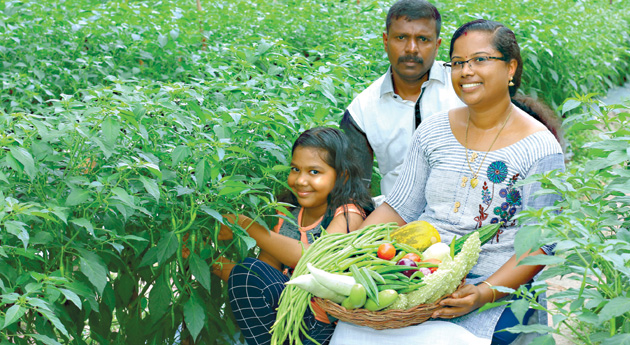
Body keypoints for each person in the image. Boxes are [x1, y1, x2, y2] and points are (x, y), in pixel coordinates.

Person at [331, 19, 564, 345]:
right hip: (416, 274)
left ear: (511, 68)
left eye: (480, 60)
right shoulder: (433, 131)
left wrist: (483, 293)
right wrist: (344, 255)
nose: (466, 71)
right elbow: (399, 208)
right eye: (457, 63)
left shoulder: (539, 148)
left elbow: (541, 244)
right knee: (352, 330)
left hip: (491, 284)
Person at [215, 127, 375, 345]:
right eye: (295, 169)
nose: (300, 180)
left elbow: (314, 262)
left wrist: (247, 226)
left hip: (323, 323)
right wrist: (208, 262)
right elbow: (259, 279)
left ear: (342, 176)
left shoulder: (348, 213)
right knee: (249, 271)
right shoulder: (287, 214)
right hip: (288, 316)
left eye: (314, 172)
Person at [340, 0, 465, 197]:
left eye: (423, 39)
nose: (412, 48)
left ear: (437, 45)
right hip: (396, 220)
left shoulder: (463, 86)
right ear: (385, 40)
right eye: (401, 37)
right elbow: (355, 192)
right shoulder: (362, 110)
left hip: (467, 214)